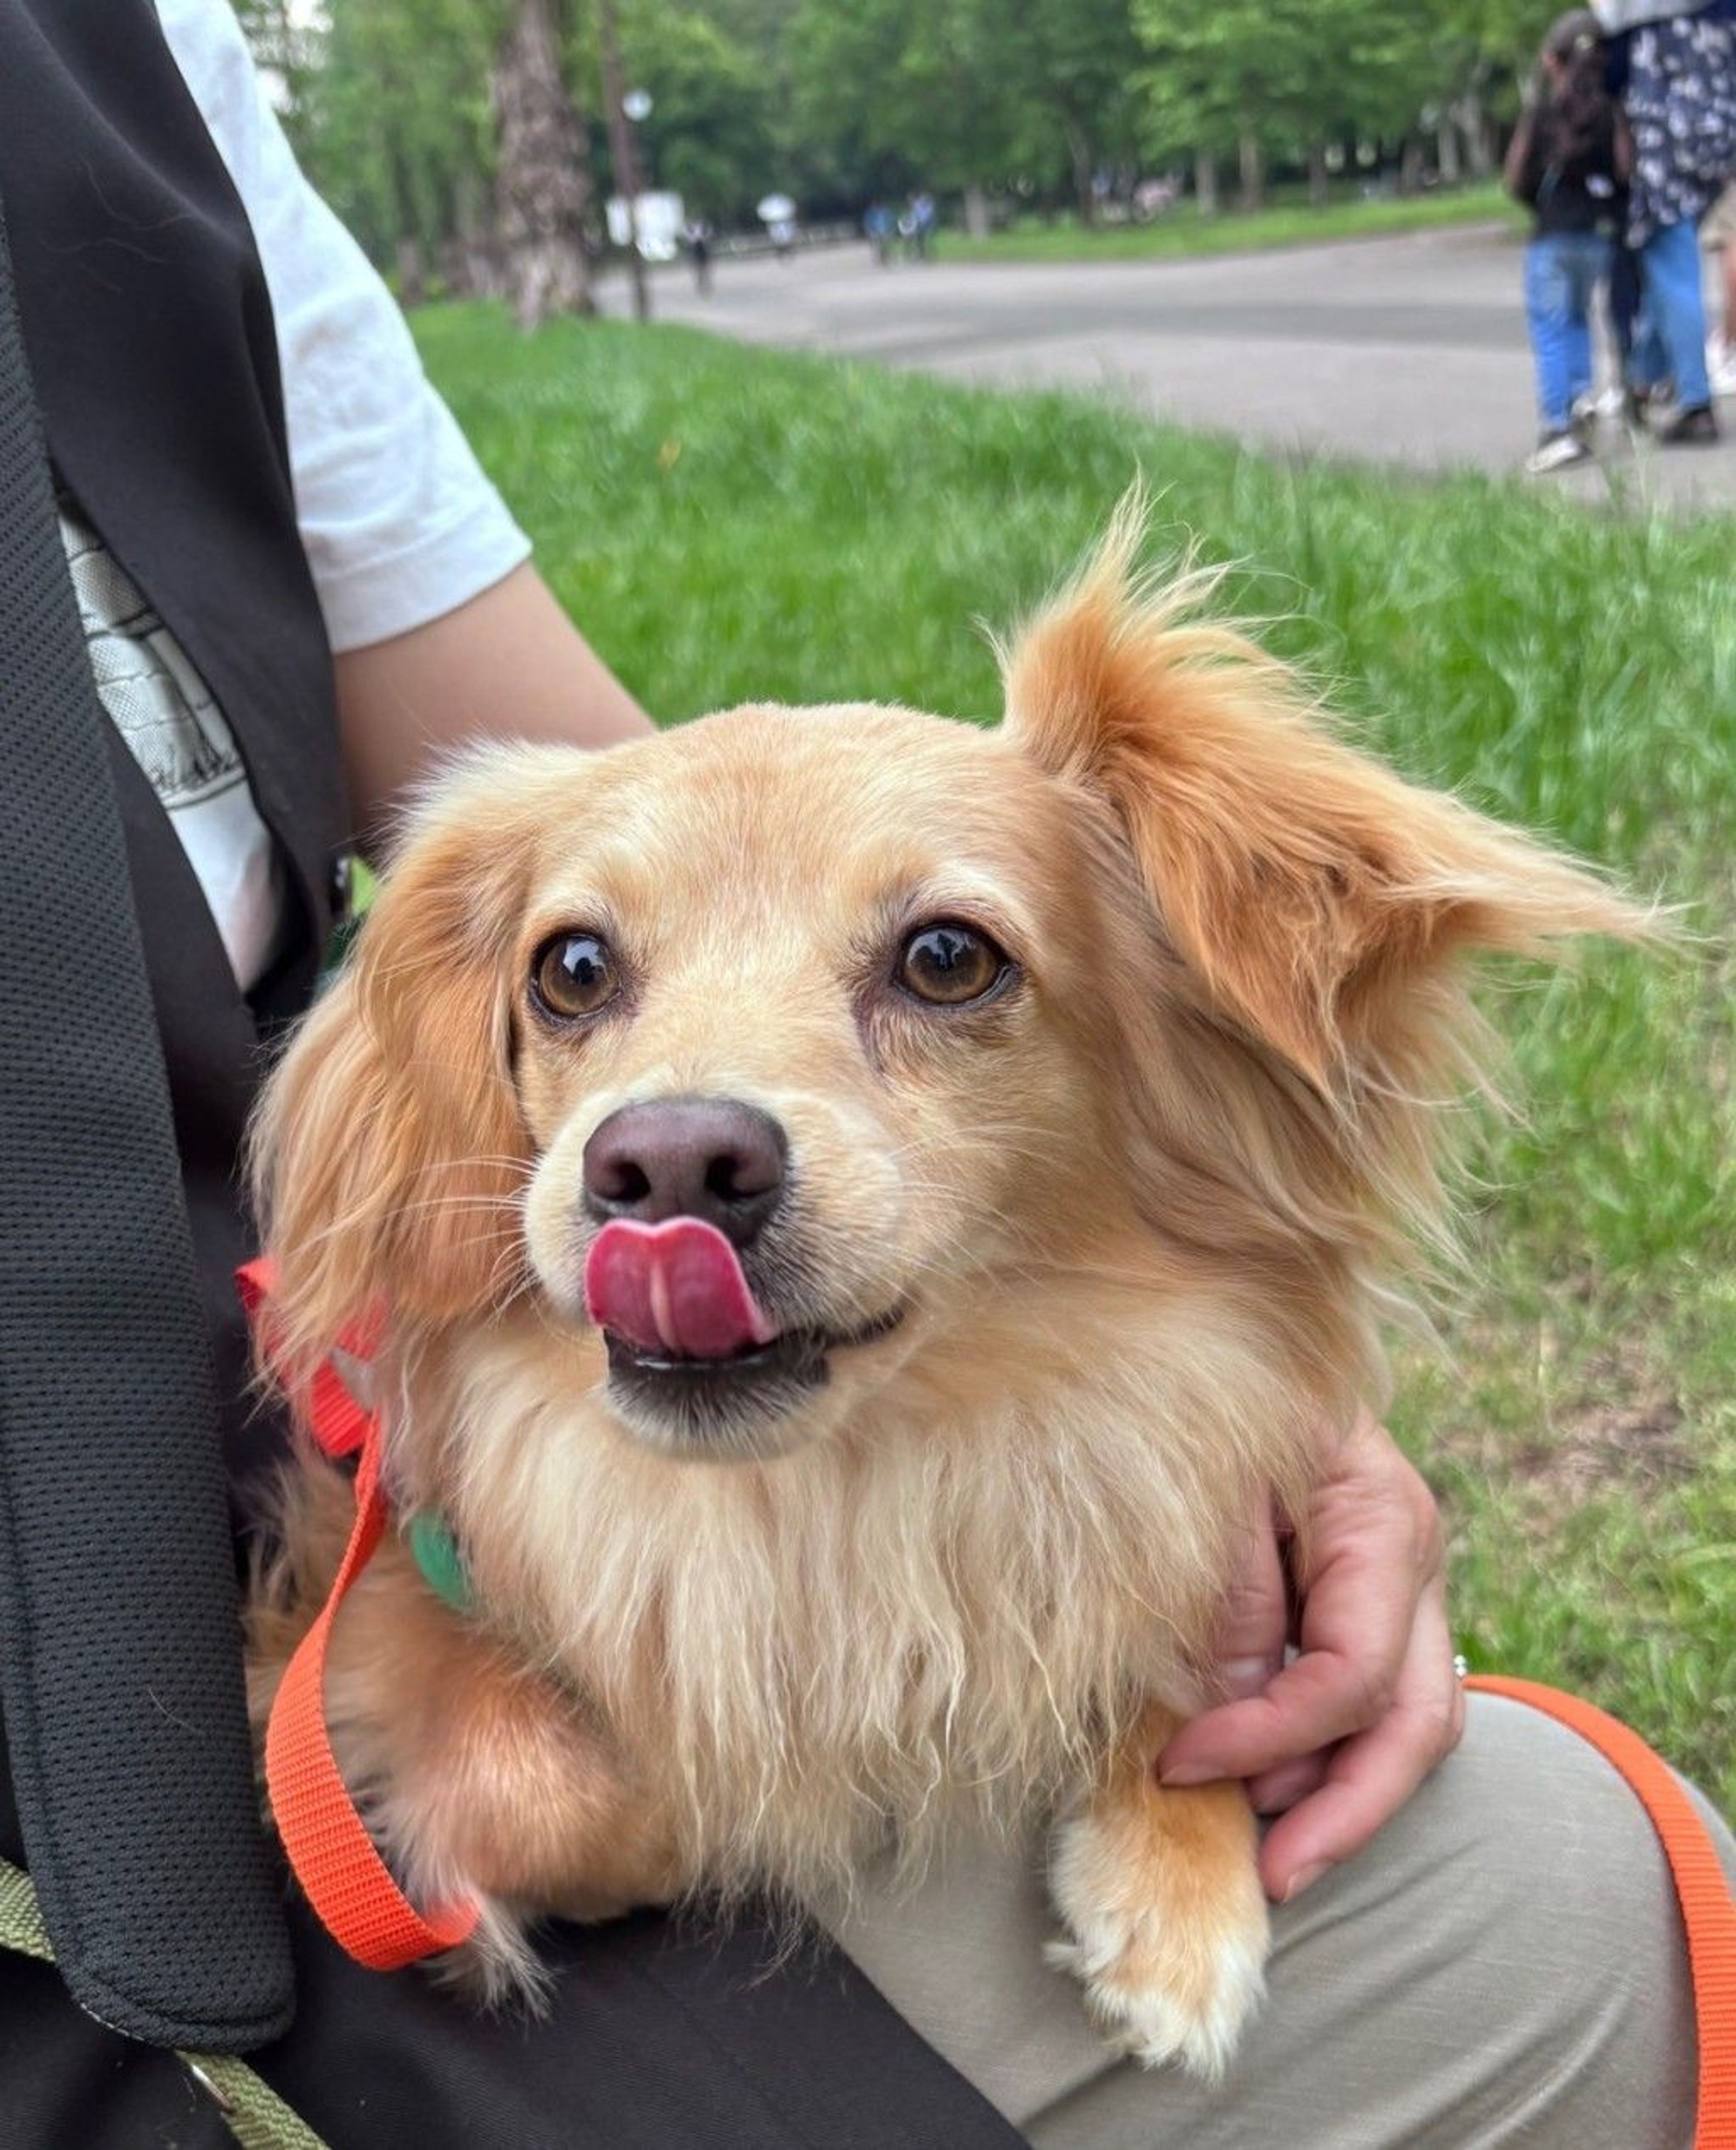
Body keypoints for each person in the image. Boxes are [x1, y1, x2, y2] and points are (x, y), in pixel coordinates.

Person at [0, 5, 1729, 2147]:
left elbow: (638, 781)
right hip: (130, 1701)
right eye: (580, 983)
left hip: (352, 1420)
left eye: (941, 962)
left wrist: (1278, 1452)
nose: (675, 1122)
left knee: (1612, 1890)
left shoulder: (131, 53)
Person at [1596, 0, 1736, 443]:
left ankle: (1696, 404)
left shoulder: (1635, 12)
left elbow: (1612, 73)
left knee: (1672, 267)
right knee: (1668, 267)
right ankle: (1644, 376)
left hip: (1664, 140)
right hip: (1720, 131)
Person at [1505, 9, 1629, 473]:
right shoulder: (1610, 112)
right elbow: (1625, 171)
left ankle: (1558, 427)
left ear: (1552, 61)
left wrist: (1538, 204)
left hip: (1553, 234)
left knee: (1552, 327)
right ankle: (1580, 401)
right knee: (1578, 318)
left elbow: (1515, 177)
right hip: (1597, 238)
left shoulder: (1543, 112)